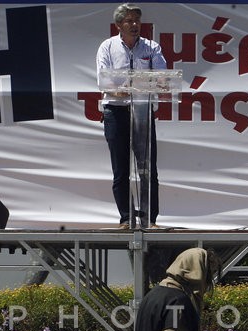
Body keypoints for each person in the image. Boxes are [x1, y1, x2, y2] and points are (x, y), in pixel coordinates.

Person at [96, 4, 166, 229]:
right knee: (121, 169)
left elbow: (163, 79)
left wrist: (134, 86)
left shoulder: (151, 47)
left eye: (137, 20)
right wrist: (128, 88)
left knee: (147, 169)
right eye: (129, 20)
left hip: (143, 112)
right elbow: (104, 82)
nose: (135, 24)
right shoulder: (107, 47)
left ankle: (149, 219)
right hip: (116, 111)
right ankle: (126, 218)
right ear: (119, 25)